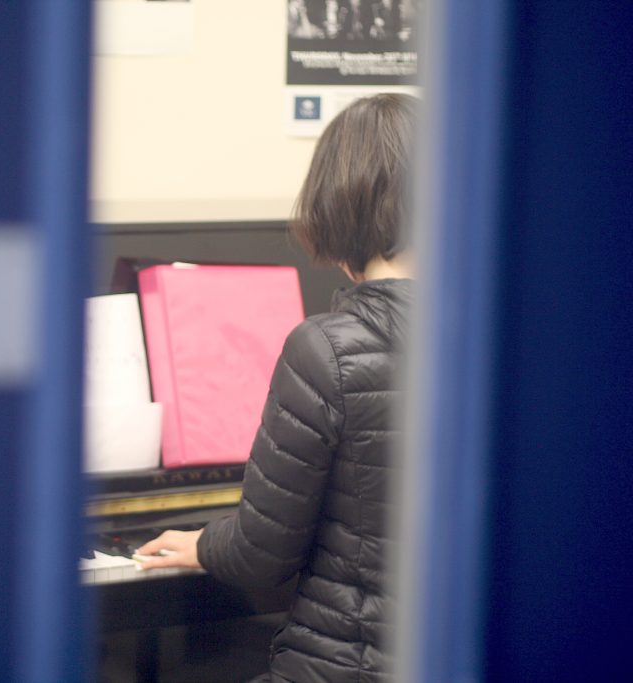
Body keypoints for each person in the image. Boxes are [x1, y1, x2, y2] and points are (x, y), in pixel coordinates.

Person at [136, 93, 417, 683]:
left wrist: (203, 544)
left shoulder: (325, 350)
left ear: (339, 215)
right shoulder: (506, 346)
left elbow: (261, 558)